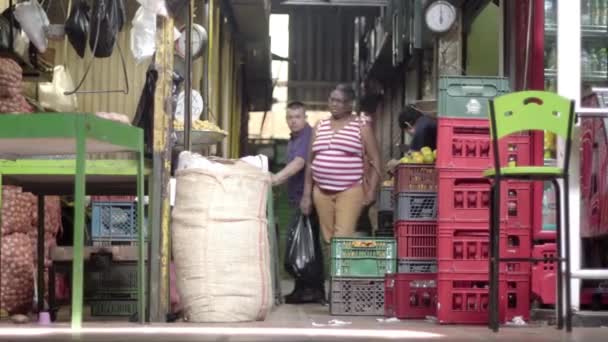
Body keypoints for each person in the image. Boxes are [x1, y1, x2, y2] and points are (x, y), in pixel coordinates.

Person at [300, 84, 382, 250]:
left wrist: (372, 190)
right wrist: (307, 195)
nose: (334, 104)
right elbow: (310, 162)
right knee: (328, 239)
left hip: (350, 190)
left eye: (340, 101)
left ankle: (341, 275)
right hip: (321, 191)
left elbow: (376, 160)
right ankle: (336, 275)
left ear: (350, 104)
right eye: (332, 100)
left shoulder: (361, 125)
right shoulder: (320, 126)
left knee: (343, 238)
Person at [271, 101, 326, 304]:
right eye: (290, 117)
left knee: (307, 245)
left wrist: (276, 179)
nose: (293, 121)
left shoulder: (307, 136)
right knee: (302, 244)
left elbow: (299, 164)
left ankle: (313, 290)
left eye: (297, 117)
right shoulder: (294, 138)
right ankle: (302, 289)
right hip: (298, 197)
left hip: (307, 198)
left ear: (305, 118)